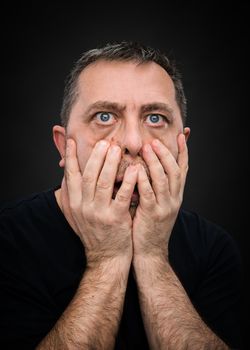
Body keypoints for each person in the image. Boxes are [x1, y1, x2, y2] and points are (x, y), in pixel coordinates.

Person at [0, 41, 241, 350]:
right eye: (104, 116)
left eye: (155, 118)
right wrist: (107, 259)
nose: (133, 141)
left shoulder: (214, 250)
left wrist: (153, 256)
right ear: (63, 145)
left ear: (183, 146)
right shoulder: (8, 240)